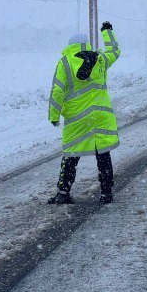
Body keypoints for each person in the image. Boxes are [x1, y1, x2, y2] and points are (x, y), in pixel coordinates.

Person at [47, 21, 121, 204]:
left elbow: (58, 91)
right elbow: (115, 51)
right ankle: (106, 193)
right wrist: (107, 32)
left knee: (71, 154)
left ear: (69, 45)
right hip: (101, 116)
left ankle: (63, 193)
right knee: (102, 153)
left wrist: (54, 116)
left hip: (77, 118)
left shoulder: (65, 62)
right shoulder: (101, 59)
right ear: (87, 44)